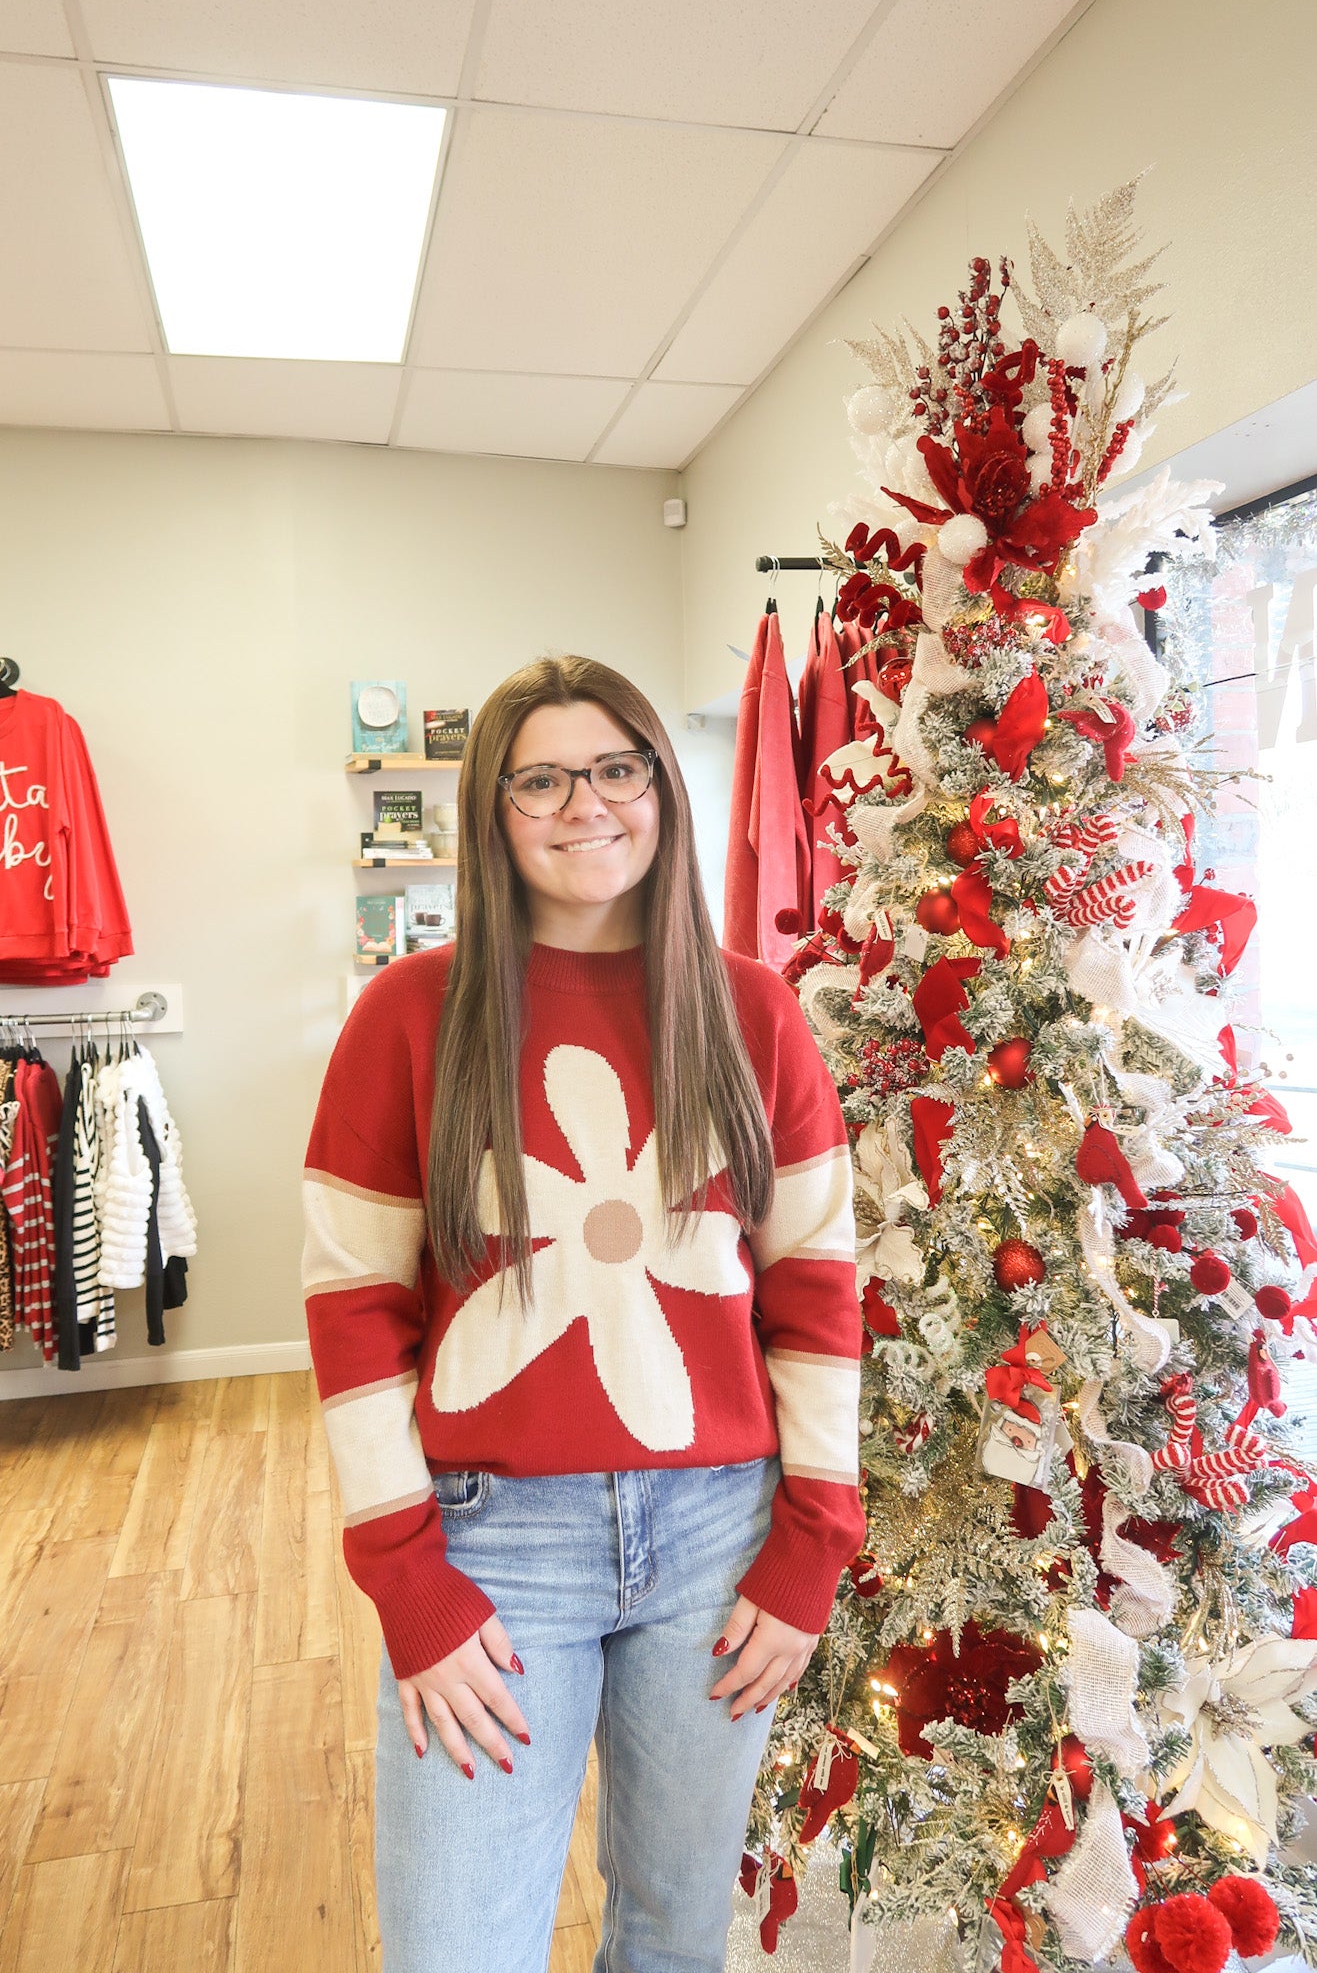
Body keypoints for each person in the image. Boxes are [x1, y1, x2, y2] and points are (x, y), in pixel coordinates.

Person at [302, 654, 863, 1973]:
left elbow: (817, 1286)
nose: (584, 805)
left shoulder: (753, 1011)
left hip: (719, 1542)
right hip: (494, 1551)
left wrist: (812, 1541)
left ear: (660, 789)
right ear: (491, 814)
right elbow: (352, 1306)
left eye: (617, 769)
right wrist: (404, 1576)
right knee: (457, 1949)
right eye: (539, 779)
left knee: (674, 1939)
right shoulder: (408, 1015)